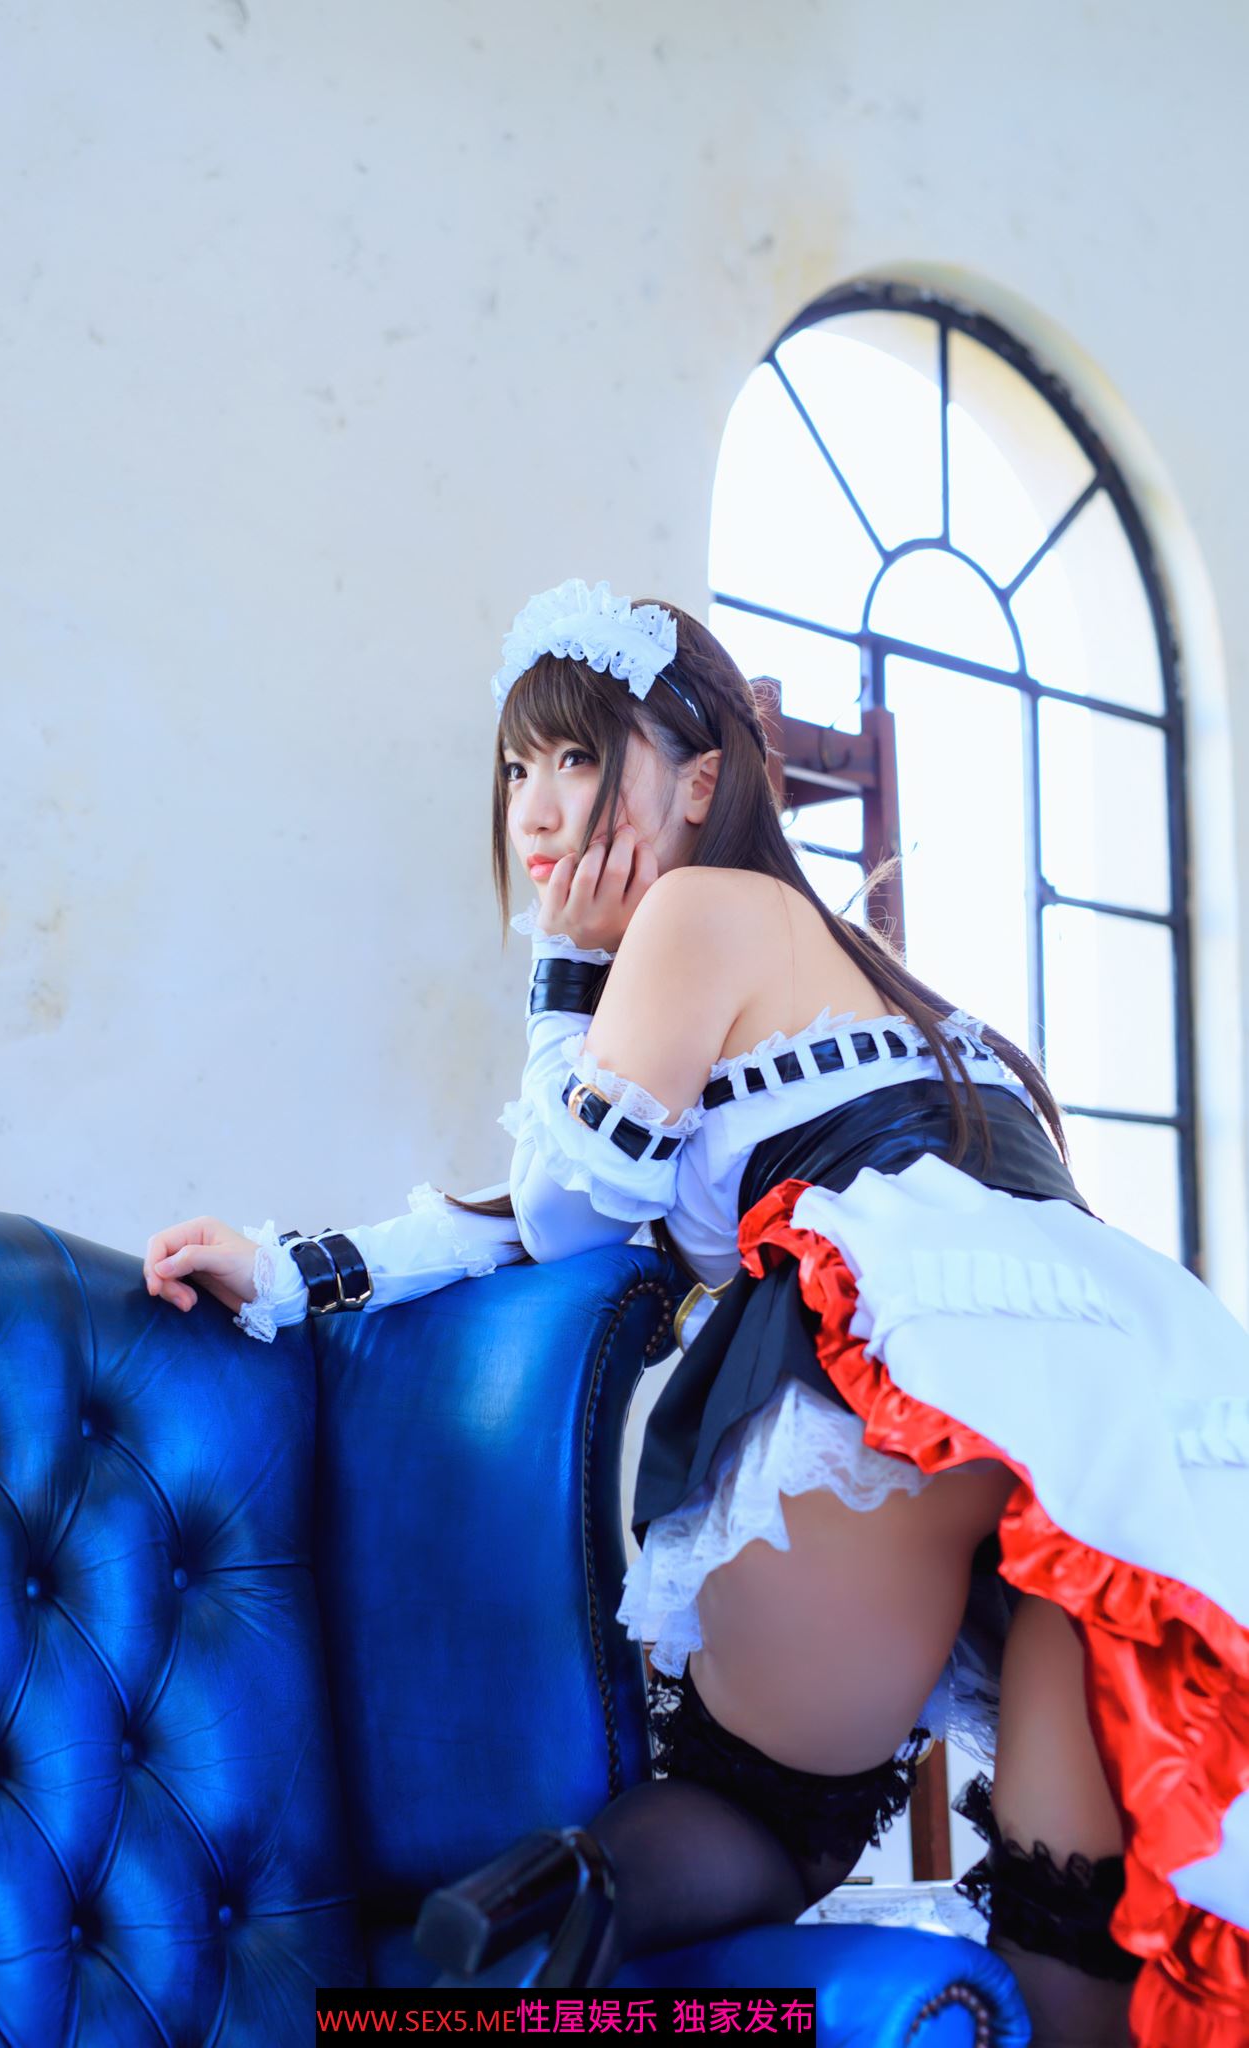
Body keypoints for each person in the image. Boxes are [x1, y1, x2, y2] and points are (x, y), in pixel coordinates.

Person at [144, 579, 1249, 2048]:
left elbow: (567, 1211)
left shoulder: (695, 910)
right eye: (516, 768)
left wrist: (560, 974)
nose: (539, 808)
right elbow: (532, 1209)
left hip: (906, 1369)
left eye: (581, 755)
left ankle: (535, 1917)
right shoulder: (866, 977)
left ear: (702, 780)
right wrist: (296, 1267)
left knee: (769, 1815)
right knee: (1078, 1909)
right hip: (1123, 1422)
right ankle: (536, 1933)